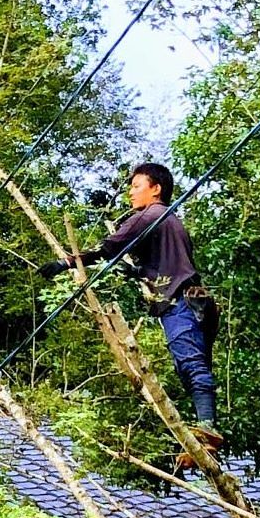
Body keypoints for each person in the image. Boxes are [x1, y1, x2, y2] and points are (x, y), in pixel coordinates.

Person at [39, 162, 221, 447]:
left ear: (156, 189)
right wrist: (138, 272)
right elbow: (169, 263)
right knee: (193, 368)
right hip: (197, 303)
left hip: (179, 302)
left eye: (136, 187)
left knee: (190, 364)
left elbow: (107, 248)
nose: (130, 193)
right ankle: (207, 435)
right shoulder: (170, 220)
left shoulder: (151, 214)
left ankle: (207, 427)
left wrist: (66, 263)